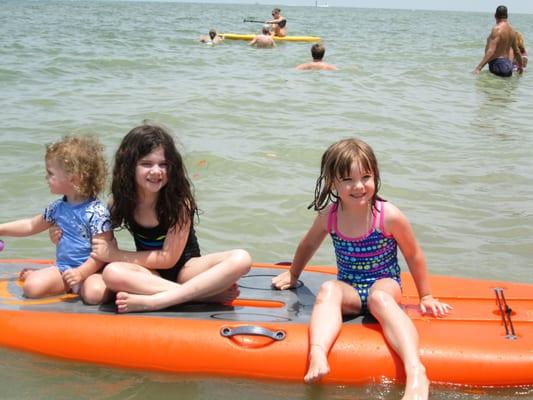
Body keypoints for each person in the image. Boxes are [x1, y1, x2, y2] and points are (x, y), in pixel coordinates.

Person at [272, 138, 452, 400]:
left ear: (375, 176)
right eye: (347, 180)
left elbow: (413, 254)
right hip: (350, 288)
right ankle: (318, 354)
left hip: (385, 283)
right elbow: (308, 244)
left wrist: (426, 295)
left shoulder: (387, 215)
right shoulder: (330, 216)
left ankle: (416, 372)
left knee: (380, 298)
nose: (358, 186)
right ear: (333, 182)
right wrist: (293, 273)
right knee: (327, 290)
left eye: (366, 177)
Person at [91, 124, 251, 313]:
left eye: (163, 164)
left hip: (187, 271)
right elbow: (98, 242)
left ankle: (156, 301)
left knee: (242, 258)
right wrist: (59, 231)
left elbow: (168, 259)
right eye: (146, 164)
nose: (156, 171)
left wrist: (114, 255)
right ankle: (199, 295)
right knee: (112, 273)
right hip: (151, 275)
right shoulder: (119, 203)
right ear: (129, 167)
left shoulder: (179, 204)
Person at [0, 135, 112, 303]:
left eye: (50, 173)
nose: (46, 177)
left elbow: (101, 254)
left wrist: (81, 273)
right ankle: (47, 279)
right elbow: (31, 225)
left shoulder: (97, 212)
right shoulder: (57, 208)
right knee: (31, 287)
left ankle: (97, 288)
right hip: (64, 270)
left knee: (94, 294)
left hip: (92, 271)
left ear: (74, 178)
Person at [473, 5, 523, 77]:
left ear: (495, 15)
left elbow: (491, 51)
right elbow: (517, 51)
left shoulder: (497, 29)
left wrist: (478, 68)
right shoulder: (512, 30)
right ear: (507, 16)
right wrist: (520, 67)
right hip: (508, 67)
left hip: (497, 65)